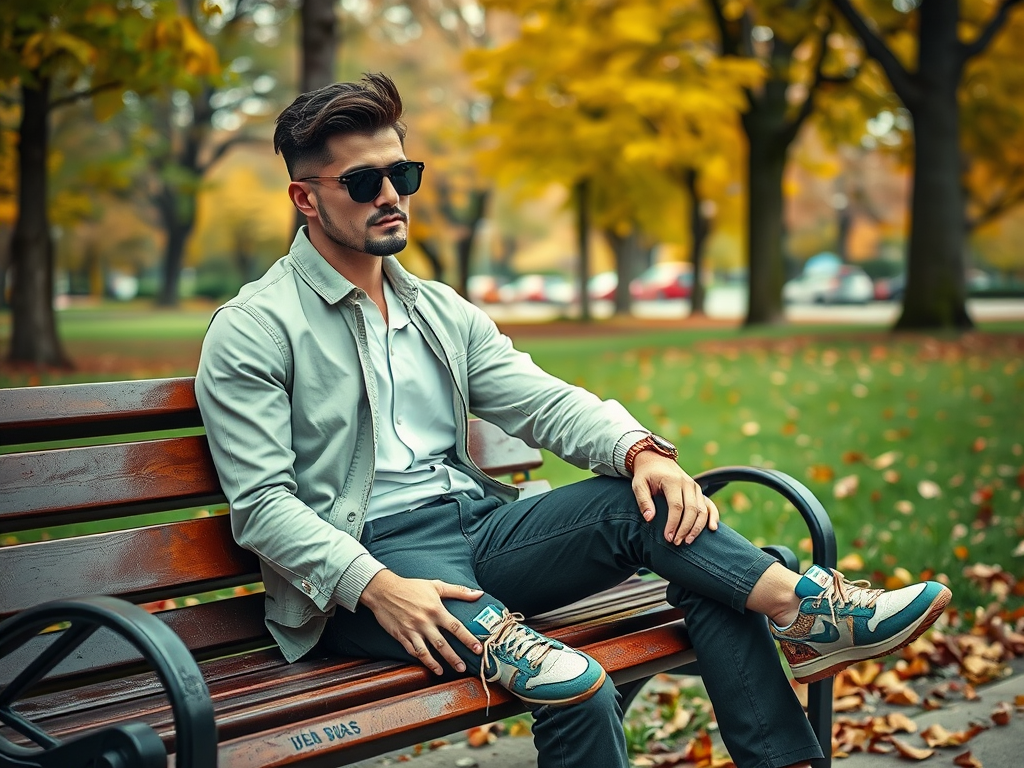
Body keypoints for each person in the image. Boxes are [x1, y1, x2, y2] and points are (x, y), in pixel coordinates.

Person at [194, 73, 951, 768]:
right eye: (364, 182)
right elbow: (263, 507)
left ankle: (804, 616)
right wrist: (377, 583)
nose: (391, 194)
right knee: (571, 680)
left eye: (404, 174)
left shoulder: (436, 309)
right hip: (365, 573)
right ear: (306, 199)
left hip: (475, 531)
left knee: (648, 507)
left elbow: (539, 398)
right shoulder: (257, 328)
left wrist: (640, 451)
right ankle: (795, 612)